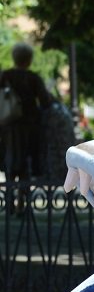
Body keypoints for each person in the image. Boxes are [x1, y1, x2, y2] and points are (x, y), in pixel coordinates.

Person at [0, 42, 52, 201]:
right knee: (25, 165)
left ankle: (8, 200)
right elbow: (45, 102)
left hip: (8, 127)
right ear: (29, 60)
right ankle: (21, 202)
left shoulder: (5, 76)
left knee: (9, 162)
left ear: (14, 58)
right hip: (29, 128)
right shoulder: (33, 78)